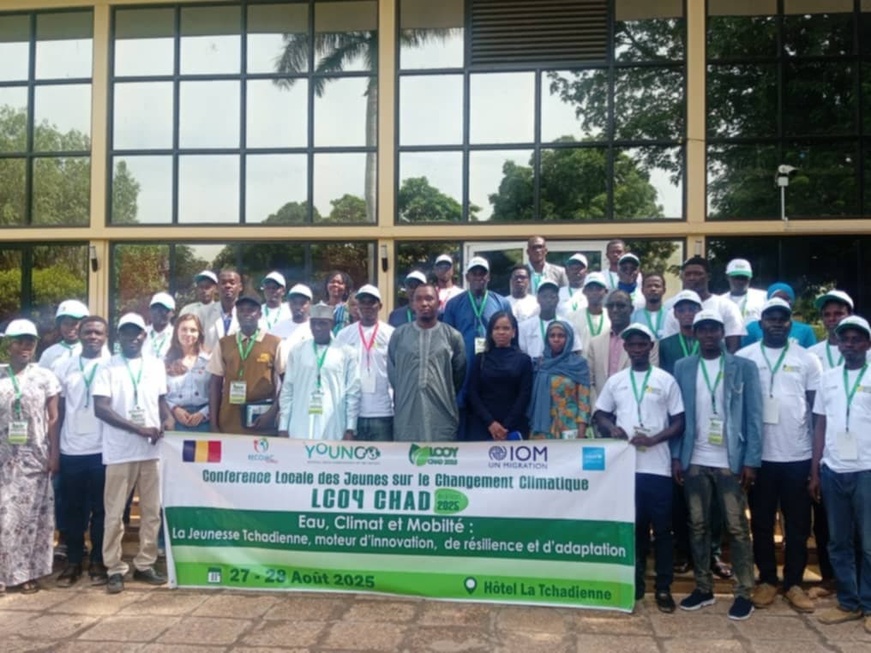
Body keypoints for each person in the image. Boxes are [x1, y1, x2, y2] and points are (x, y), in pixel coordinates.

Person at [672, 310, 763, 621]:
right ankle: (703, 587)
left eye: (714, 330)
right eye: (703, 330)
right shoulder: (683, 367)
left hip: (730, 461)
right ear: (695, 334)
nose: (709, 335)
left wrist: (751, 459)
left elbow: (753, 415)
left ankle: (743, 592)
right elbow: (678, 415)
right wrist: (676, 457)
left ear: (723, 332)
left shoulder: (743, 367)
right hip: (694, 459)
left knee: (737, 528)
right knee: (697, 526)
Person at [735, 298, 821, 613]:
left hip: (798, 455)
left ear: (790, 323)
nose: (776, 323)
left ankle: (794, 583)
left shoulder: (807, 360)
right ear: (761, 323)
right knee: (760, 522)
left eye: (782, 319)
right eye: (770, 318)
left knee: (798, 524)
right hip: (760, 457)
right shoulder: (745, 357)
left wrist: (815, 461)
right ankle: (768, 580)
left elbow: (816, 411)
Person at [594, 323, 685, 612]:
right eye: (631, 345)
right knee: (634, 530)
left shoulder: (666, 380)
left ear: (650, 346)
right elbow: (600, 413)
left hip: (657, 467)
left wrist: (655, 439)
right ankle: (635, 584)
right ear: (626, 348)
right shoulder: (617, 381)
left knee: (662, 531)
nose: (636, 349)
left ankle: (663, 588)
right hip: (626, 468)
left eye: (641, 344)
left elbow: (679, 422)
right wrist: (612, 428)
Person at [93, 313, 173, 594]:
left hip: (152, 450)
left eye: (137, 332)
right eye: (126, 333)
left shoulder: (155, 365)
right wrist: (138, 429)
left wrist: (167, 419)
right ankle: (114, 567)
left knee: (152, 511)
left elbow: (161, 400)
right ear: (119, 337)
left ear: (145, 335)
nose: (132, 337)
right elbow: (101, 408)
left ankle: (145, 564)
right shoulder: (107, 367)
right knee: (114, 513)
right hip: (119, 451)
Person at [810, 315, 871, 631]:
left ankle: (870, 605)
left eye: (857, 339)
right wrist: (816, 470)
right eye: (845, 339)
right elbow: (820, 424)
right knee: (838, 542)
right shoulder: (828, 378)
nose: (850, 344)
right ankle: (849, 602)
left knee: (869, 542)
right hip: (833, 470)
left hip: (866, 471)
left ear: (867, 343)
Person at [0, 319, 60, 595]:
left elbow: (53, 418)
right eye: (19, 340)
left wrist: (54, 454)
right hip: (4, 460)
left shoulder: (45, 377)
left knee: (31, 519)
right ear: (8, 343)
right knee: (4, 519)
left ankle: (27, 574)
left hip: (35, 458)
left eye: (30, 341)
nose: (25, 346)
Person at [54, 316, 111, 587]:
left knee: (101, 510)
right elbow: (60, 411)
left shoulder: (112, 366)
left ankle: (98, 560)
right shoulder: (64, 366)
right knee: (73, 509)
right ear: (81, 334)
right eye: (88, 332)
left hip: (103, 451)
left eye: (98, 333)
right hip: (72, 450)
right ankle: (74, 561)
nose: (92, 337)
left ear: (105, 337)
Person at [388, 284, 466, 442]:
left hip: (442, 413)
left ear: (438, 303)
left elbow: (459, 374)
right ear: (412, 304)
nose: (424, 303)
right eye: (419, 299)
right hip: (407, 414)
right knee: (407, 461)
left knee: (441, 461)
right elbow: (393, 373)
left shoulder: (452, 336)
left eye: (429, 298)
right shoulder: (399, 335)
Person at [443, 256, 511, 429]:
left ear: (488, 277)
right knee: (463, 413)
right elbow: (447, 340)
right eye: (474, 274)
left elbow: (510, 335)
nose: (478, 277)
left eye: (482, 274)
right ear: (467, 277)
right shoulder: (454, 304)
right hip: (463, 366)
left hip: (492, 365)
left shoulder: (501, 302)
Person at [279, 303, 360, 440]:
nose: (317, 328)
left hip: (333, 422)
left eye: (323, 324)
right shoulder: (297, 351)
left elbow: (353, 392)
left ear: (331, 324)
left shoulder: (346, 352)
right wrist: (283, 425)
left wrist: (350, 428)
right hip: (300, 423)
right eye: (314, 323)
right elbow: (288, 389)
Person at [208, 295, 283, 436]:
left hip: (262, 421)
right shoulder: (225, 343)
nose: (246, 313)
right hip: (229, 420)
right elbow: (215, 384)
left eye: (251, 310)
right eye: (241, 310)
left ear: (259, 314)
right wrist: (213, 424)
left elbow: (287, 383)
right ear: (236, 314)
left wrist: (273, 412)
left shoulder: (274, 343)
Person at [335, 285, 394, 442]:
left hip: (383, 411)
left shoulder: (391, 334)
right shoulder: (344, 335)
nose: (367, 306)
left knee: (382, 463)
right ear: (357, 305)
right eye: (363, 302)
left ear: (380, 306)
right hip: (352, 413)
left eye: (371, 302)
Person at [466, 311, 533, 441]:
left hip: (512, 427)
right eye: (496, 328)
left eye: (506, 328)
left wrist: (505, 427)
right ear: (490, 332)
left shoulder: (524, 360)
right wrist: (490, 423)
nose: (501, 332)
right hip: (483, 426)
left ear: (514, 332)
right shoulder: (480, 359)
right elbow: (472, 392)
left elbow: (524, 395)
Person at [586, 290, 659, 408]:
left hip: (634, 412)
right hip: (602, 415)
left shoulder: (647, 341)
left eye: (621, 306)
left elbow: (650, 379)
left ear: (631, 309)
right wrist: (599, 411)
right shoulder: (595, 343)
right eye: (611, 306)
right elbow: (590, 382)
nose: (615, 310)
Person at [662, 256, 745, 353]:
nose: (692, 278)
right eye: (688, 274)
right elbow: (669, 346)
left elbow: (733, 347)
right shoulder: (673, 309)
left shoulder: (727, 306)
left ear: (708, 277)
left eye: (698, 274)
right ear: (682, 277)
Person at [527, 320, 590, 440]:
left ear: (569, 339)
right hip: (542, 425)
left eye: (561, 336)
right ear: (547, 339)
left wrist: (581, 432)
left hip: (569, 424)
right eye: (552, 336)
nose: (556, 339)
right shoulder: (540, 364)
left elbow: (584, 402)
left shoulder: (578, 365)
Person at [164, 313, 211, 433]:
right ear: (176, 332)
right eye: (184, 329)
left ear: (199, 333)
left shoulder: (209, 360)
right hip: (174, 421)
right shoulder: (165, 361)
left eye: (193, 330)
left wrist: (203, 413)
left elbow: (218, 392)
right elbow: (159, 394)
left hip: (203, 421)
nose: (188, 334)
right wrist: (174, 409)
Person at [519, 279, 582, 360]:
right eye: (544, 296)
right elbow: (522, 353)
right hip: (533, 370)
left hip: (560, 370)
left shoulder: (568, 325)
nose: (548, 300)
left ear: (558, 299)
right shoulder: (525, 327)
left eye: (552, 296)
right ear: (538, 299)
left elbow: (576, 351)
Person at [742, 283, 817, 349]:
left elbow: (810, 354)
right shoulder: (752, 328)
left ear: (791, 302)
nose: (780, 302)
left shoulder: (805, 330)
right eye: (776, 298)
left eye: (785, 299)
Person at [809, 290, 857, 371]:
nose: (832, 319)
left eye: (838, 314)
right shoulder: (812, 353)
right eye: (827, 315)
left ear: (850, 315)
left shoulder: (864, 352)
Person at [659, 290, 703, 376]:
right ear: (675, 313)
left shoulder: (708, 341)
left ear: (700, 311)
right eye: (681, 310)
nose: (687, 314)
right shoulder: (665, 344)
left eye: (692, 309)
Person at [38, 299, 90, 370]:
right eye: (65, 323)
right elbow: (41, 377)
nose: (70, 328)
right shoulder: (49, 353)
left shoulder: (95, 350)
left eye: (74, 324)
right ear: (59, 325)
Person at [565, 272, 611, 347]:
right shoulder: (572, 318)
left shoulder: (611, 316)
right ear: (584, 292)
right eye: (590, 289)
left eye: (598, 289)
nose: (594, 292)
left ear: (606, 292)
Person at [204, 268, 243, 352]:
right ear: (217, 287)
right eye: (223, 283)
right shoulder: (204, 313)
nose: (227, 286)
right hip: (211, 363)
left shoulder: (248, 314)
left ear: (240, 287)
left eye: (232, 283)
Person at [721, 259, 766, 325]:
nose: (741, 281)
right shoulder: (720, 301)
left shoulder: (763, 297)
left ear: (750, 277)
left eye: (744, 278)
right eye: (737, 278)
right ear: (727, 277)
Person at [632, 272, 668, 339]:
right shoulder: (634, 317)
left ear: (664, 290)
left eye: (657, 286)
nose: (653, 289)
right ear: (642, 290)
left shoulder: (671, 316)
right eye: (649, 286)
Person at [144, 292, 175, 359]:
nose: (158, 312)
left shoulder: (177, 335)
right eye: (155, 308)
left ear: (172, 313)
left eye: (164, 309)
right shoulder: (141, 333)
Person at [324, 270, 353, 335]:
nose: (335, 285)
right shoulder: (320, 308)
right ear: (327, 285)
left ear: (346, 287)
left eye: (340, 283)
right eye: (332, 282)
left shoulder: (349, 309)